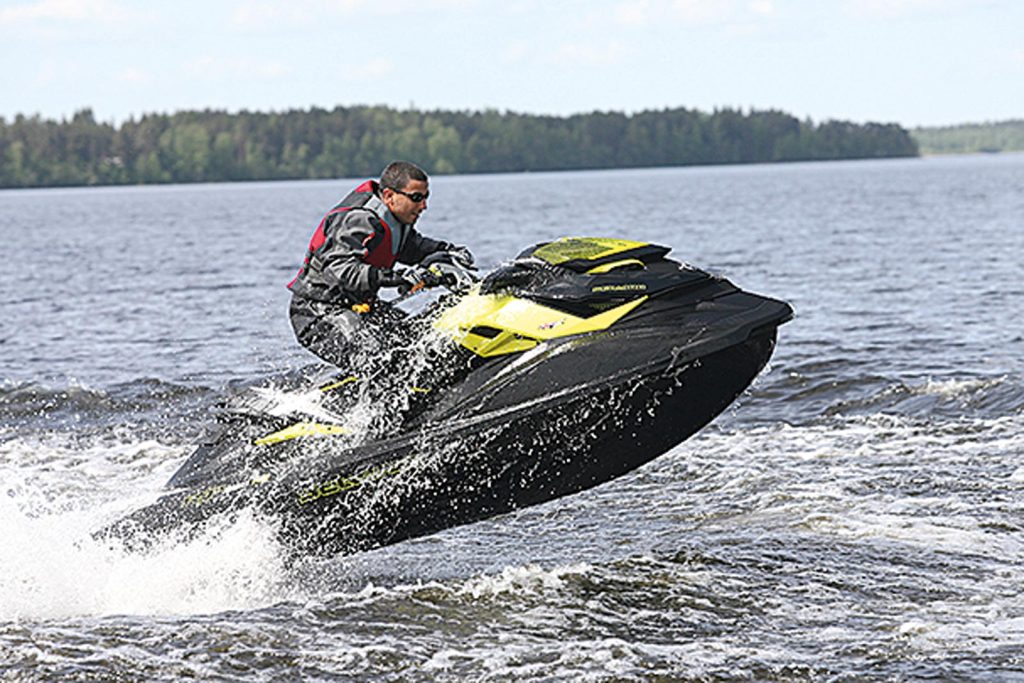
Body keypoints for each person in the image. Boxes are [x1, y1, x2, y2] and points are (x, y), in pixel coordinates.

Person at [287, 161, 473, 366]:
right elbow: (342, 270)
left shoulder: (397, 220)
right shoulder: (360, 219)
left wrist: (447, 249)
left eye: (425, 198)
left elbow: (413, 248)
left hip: (361, 308)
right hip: (317, 313)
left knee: (418, 339)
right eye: (416, 198)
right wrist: (399, 278)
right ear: (388, 196)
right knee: (379, 357)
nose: (423, 206)